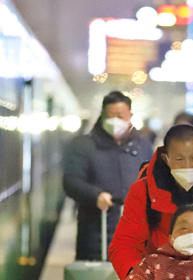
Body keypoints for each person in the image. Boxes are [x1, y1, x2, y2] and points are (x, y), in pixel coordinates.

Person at [108, 124, 193, 280]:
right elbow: (125, 244)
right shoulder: (144, 191)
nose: (188, 166)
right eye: (179, 159)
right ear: (166, 159)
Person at [63, 91, 153, 260]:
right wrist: (95, 195)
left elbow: (154, 179)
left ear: (130, 116)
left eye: (120, 115)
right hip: (97, 231)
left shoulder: (143, 145)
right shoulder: (84, 145)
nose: (115, 121)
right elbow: (71, 181)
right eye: (110, 116)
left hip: (136, 232)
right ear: (102, 116)